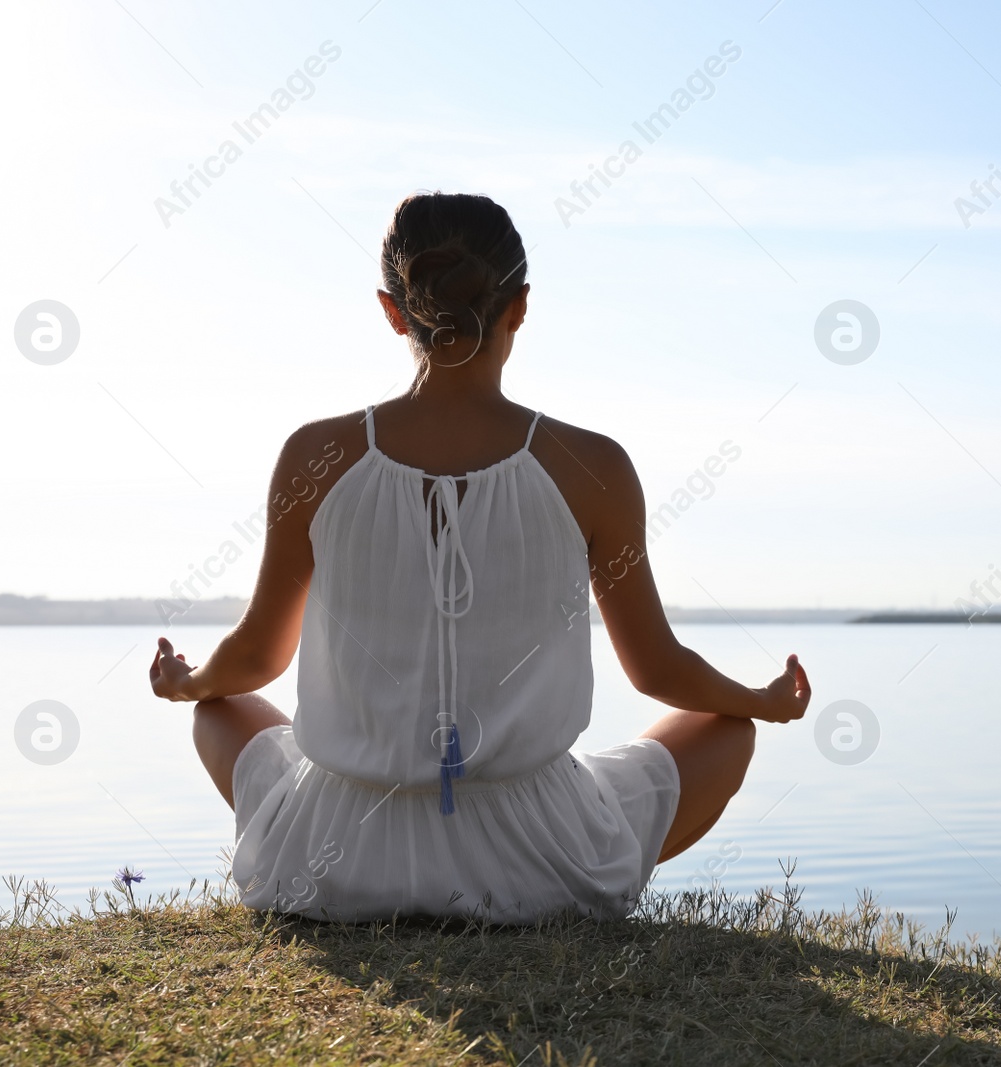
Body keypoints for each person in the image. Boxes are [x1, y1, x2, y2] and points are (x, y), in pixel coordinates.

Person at [149, 191, 811, 922]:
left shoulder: (318, 454)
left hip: (332, 861)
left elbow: (255, 659)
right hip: (541, 865)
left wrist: (189, 683)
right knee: (727, 731)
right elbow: (657, 670)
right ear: (519, 306)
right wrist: (761, 702)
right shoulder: (593, 466)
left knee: (220, 707)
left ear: (392, 311)